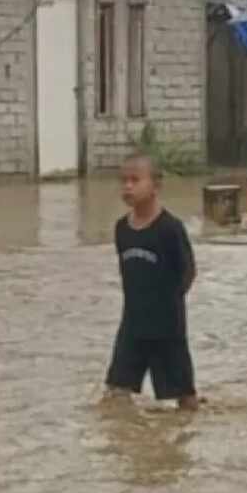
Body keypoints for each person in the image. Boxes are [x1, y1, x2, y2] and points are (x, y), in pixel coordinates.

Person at [104, 154, 198, 410]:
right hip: (132, 326)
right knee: (115, 393)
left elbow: (187, 272)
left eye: (135, 180)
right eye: (123, 180)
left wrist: (168, 305)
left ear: (156, 185)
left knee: (183, 398)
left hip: (167, 329)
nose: (127, 187)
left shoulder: (170, 229)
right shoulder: (121, 229)